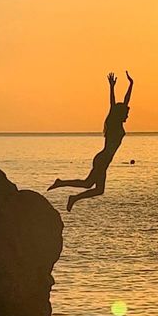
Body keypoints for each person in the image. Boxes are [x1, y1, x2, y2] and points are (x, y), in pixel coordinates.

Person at [48, 71, 134, 211]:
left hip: (104, 160)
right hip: (102, 159)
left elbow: (125, 101)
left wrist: (131, 84)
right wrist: (111, 88)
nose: (128, 116)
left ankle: (67, 190)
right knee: (90, 185)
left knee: (95, 187)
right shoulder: (114, 125)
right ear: (120, 114)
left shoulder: (117, 124)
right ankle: (68, 192)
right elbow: (113, 104)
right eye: (127, 113)